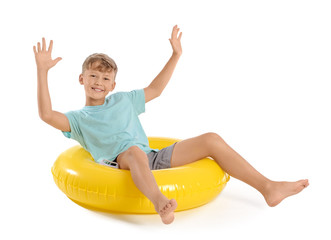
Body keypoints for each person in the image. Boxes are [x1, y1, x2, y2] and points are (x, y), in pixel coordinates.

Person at [34, 25, 309, 225]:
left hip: (151, 157)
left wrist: (175, 55)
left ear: (113, 85)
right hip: (120, 163)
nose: (99, 82)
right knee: (132, 151)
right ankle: (159, 202)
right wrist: (42, 71)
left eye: (105, 79)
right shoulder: (78, 120)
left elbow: (155, 88)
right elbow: (47, 115)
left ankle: (268, 187)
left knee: (211, 138)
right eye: (93, 76)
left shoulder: (124, 100)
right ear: (81, 79)